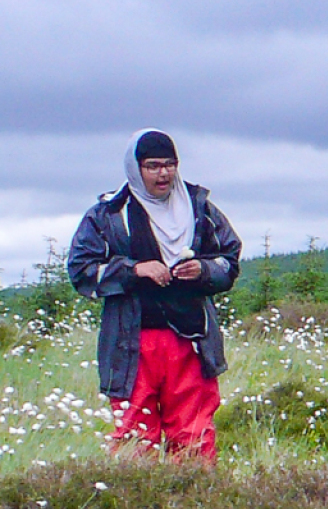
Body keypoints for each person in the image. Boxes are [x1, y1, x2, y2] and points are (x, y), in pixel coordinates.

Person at [66, 130, 241, 463]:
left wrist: (202, 271)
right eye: (153, 166)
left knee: (194, 435)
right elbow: (81, 270)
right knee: (134, 437)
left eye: (170, 165)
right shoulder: (108, 215)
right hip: (131, 345)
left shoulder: (200, 209)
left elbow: (229, 261)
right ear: (135, 168)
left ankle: (197, 508)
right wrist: (134, 271)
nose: (164, 174)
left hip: (191, 342)